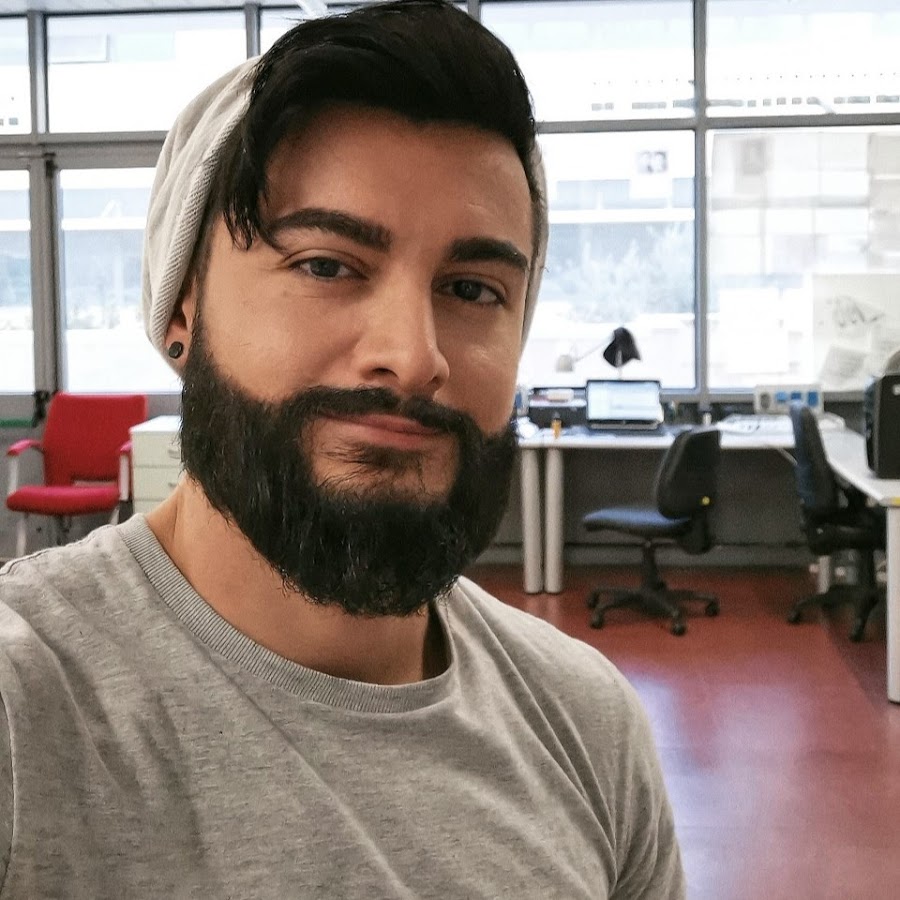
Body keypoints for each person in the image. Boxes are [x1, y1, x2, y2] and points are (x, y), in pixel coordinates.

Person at [0, 2, 685, 896]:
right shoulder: (27, 713)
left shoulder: (586, 723)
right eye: (326, 265)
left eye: (472, 289)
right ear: (181, 310)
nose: (414, 355)